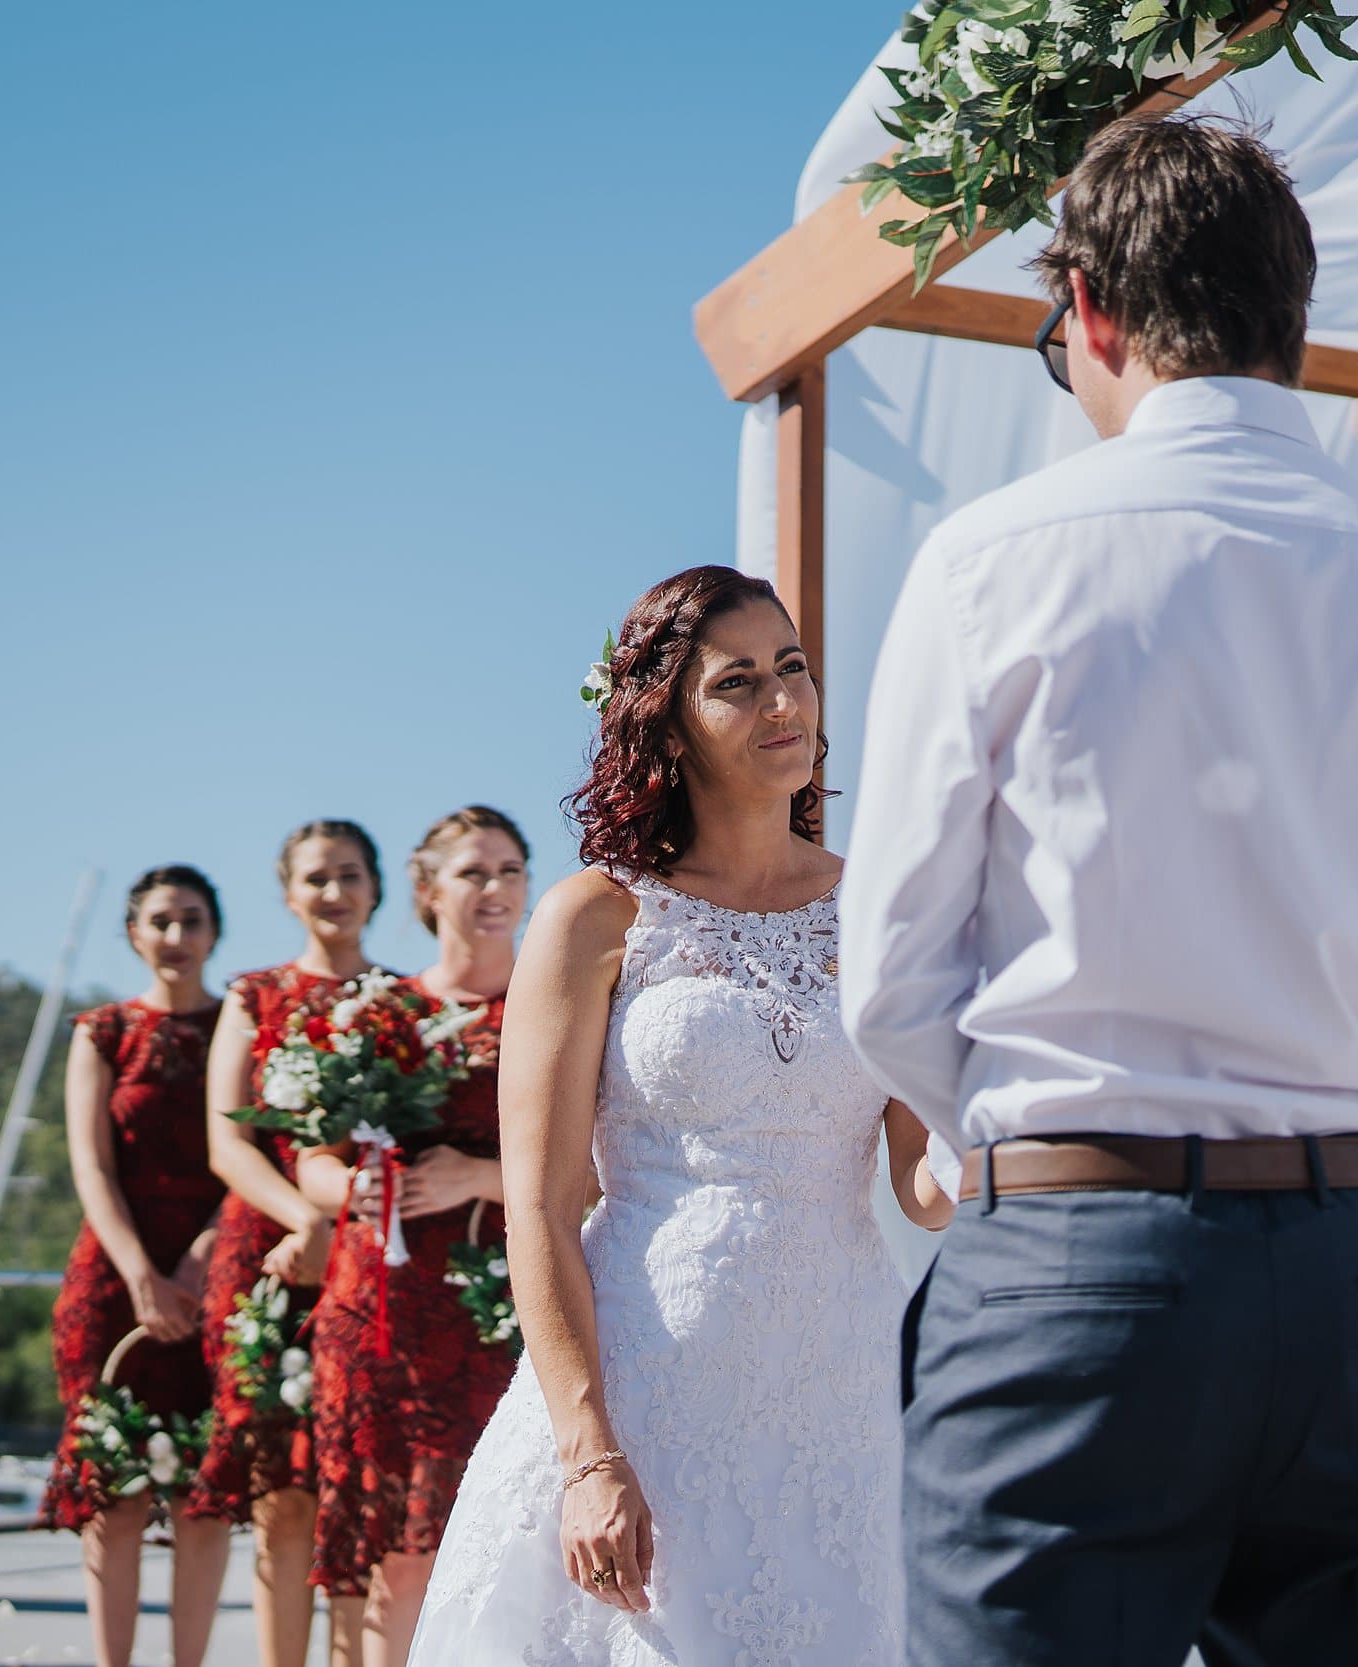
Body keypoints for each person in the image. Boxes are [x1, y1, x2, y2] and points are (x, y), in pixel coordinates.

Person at [840, 116, 1358, 1667]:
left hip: (1079, 1279)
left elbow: (887, 979)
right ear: (1295, 319)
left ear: (1089, 308)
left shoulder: (994, 560)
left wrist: (1044, 1156)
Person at [408, 567, 951, 1667]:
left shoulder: (884, 904)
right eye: (738, 683)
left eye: (791, 667)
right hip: (648, 1384)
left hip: (839, 1382)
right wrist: (587, 1453)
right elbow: (545, 1208)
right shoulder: (595, 916)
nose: (783, 703)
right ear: (670, 722)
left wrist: (1028, 1110)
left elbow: (925, 1185)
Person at [302, 808, 530, 1667]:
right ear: (429, 892)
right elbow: (312, 1164)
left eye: (511, 869)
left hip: (500, 1308)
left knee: (500, 1544)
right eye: (475, 872)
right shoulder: (380, 1012)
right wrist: (354, 1187)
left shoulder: (554, 1001)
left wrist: (477, 1176)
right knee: (387, 1558)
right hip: (381, 1312)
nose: (497, 889)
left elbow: (602, 1161)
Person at [197, 820, 390, 1667]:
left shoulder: (401, 998)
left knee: (358, 1487)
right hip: (264, 1260)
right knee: (280, 1494)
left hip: (370, 1253)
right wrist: (301, 1221)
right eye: (316, 877)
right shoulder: (253, 995)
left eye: (348, 875)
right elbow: (226, 1139)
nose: (334, 892)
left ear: (377, 887)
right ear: (287, 893)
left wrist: (339, 1224)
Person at [40, 865, 234, 1667]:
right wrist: (142, 1277)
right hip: (111, 1282)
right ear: (134, 933)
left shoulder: (237, 1025)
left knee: (204, 1497)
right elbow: (92, 1167)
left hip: (218, 1274)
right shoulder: (102, 1031)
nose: (177, 936)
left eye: (192, 920)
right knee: (112, 1495)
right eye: (161, 921)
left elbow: (257, 1159)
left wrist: (194, 1267)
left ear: (215, 931)